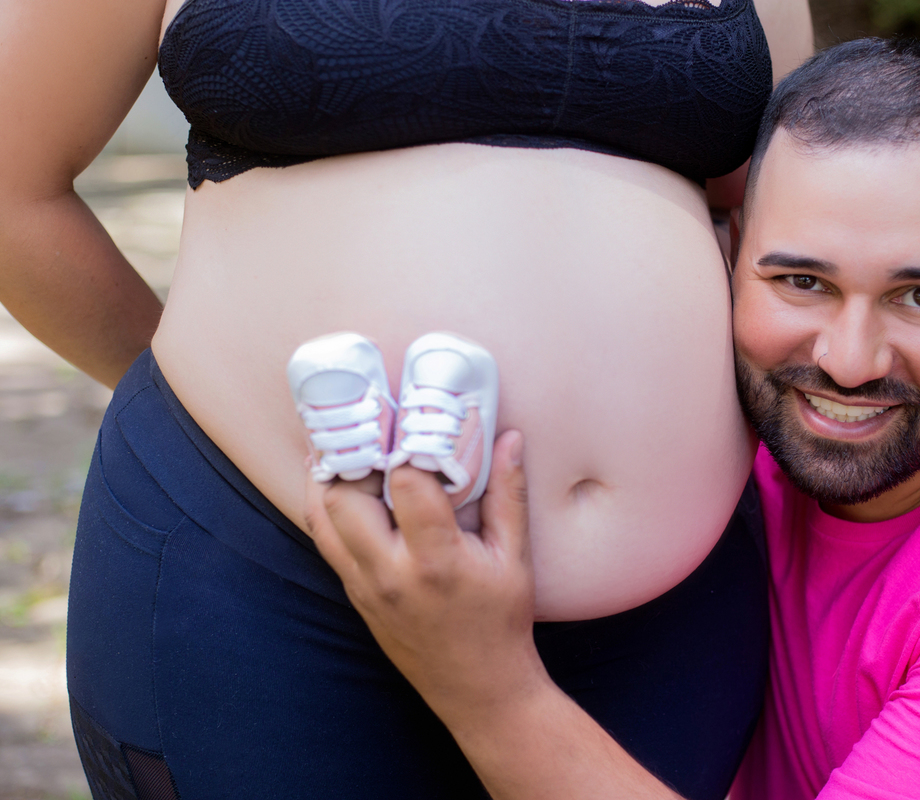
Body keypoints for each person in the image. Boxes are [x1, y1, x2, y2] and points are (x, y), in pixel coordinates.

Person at [304, 38, 920, 799]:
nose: (849, 360)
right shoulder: (725, 387)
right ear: (728, 256)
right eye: (802, 282)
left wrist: (485, 685)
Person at [0, 0, 815, 797]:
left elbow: (783, 214)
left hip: (662, 617)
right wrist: (204, 392)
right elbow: (14, 185)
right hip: (266, 568)